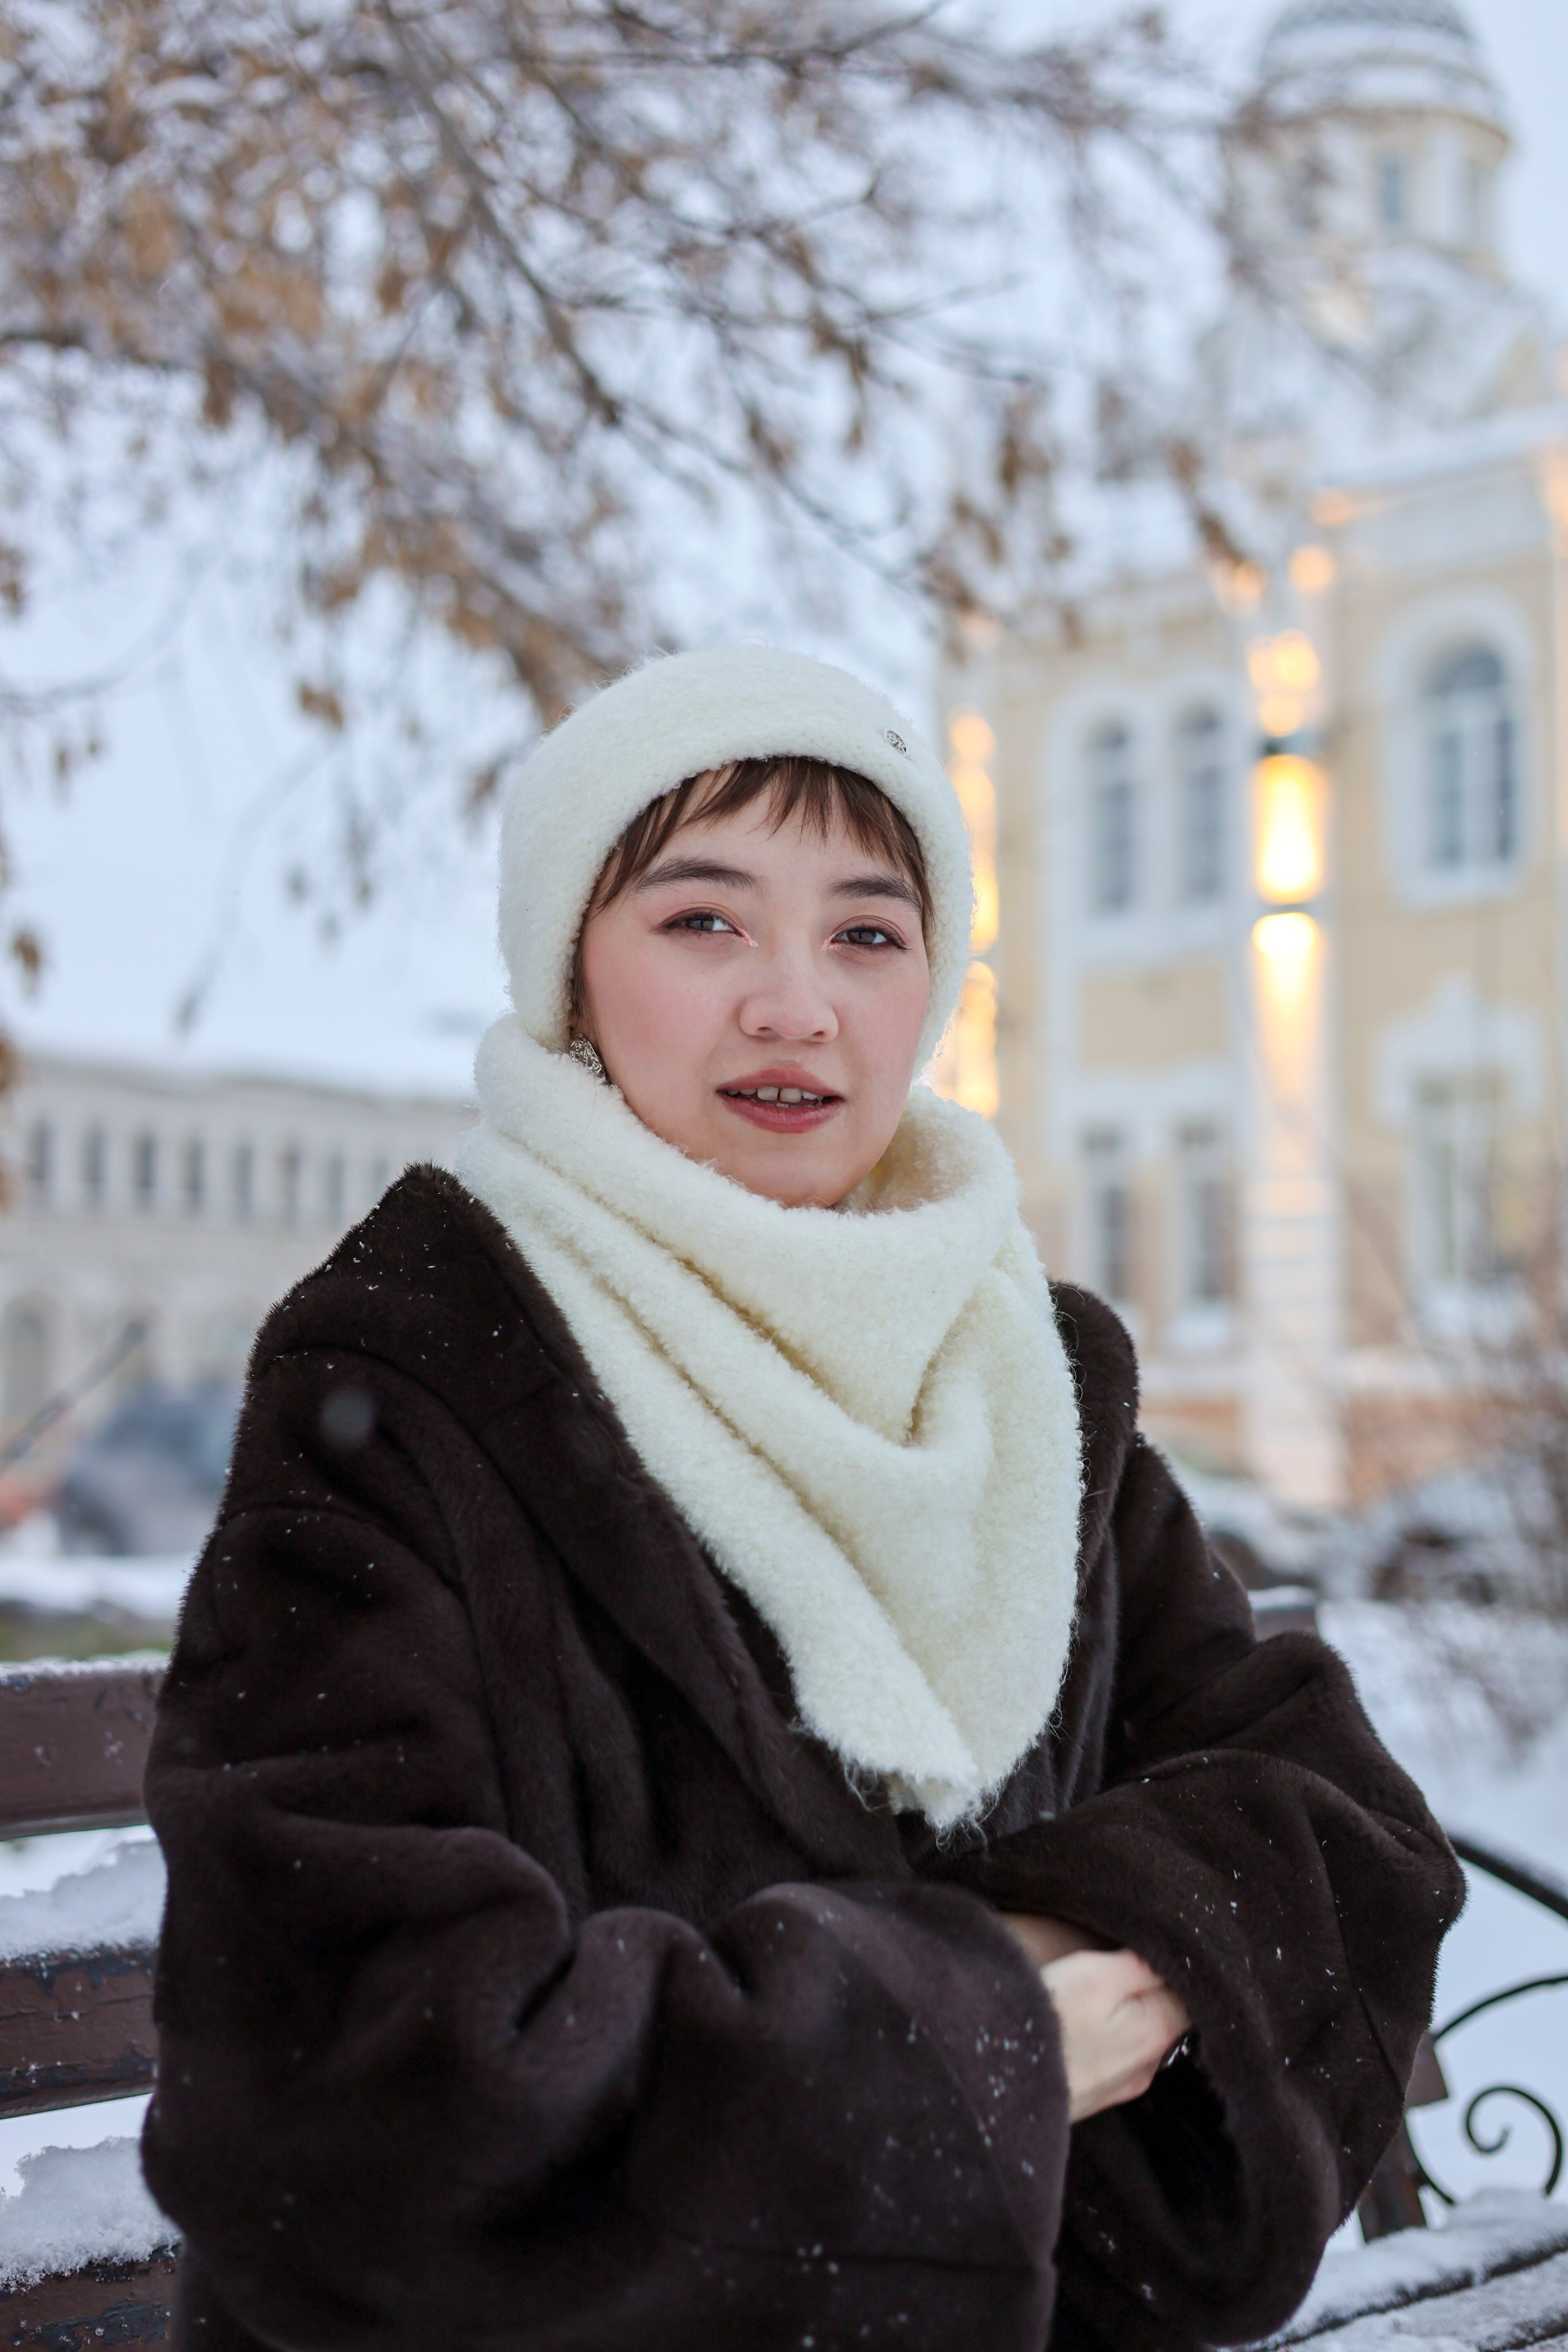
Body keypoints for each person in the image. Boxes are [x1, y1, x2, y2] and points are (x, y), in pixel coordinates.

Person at [143, 647, 1462, 2352]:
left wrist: (1004, 1980)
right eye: (703, 920)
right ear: (570, 971)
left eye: (868, 934)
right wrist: (994, 2033)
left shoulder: (1028, 1376)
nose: (796, 1006)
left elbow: (1338, 1823)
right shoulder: (415, 1377)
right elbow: (353, 2072)